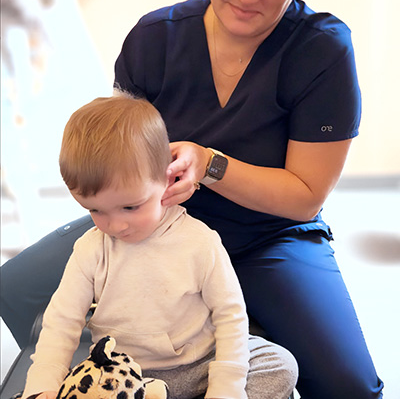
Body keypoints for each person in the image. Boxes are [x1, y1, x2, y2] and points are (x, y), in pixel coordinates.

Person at [113, 0, 384, 398]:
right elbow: (118, 160)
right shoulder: (154, 41)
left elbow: (303, 195)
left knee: (351, 386)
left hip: (269, 240)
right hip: (161, 233)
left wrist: (208, 162)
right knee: (27, 294)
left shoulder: (321, 52)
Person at [21, 93, 298, 399]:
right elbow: (62, 322)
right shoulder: (90, 250)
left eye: (130, 207)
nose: (116, 225)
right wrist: (41, 387)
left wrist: (225, 388)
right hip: (126, 375)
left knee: (279, 363)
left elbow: (230, 316)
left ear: (168, 179)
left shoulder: (200, 242)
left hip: (199, 365)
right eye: (96, 211)